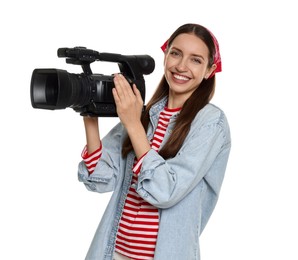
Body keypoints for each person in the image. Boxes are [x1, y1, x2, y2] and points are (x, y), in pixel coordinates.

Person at [78, 23, 231, 260]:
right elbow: (100, 179)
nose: (181, 66)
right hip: (112, 252)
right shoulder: (143, 114)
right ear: (166, 55)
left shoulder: (210, 123)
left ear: (210, 70)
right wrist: (89, 114)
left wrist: (132, 124)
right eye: (176, 53)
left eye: (196, 60)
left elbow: (165, 190)